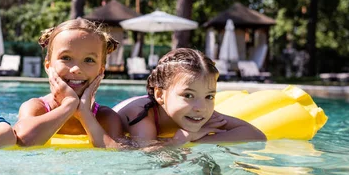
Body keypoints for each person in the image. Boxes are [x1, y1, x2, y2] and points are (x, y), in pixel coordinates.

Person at [113, 48, 266, 147]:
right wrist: (179, 140)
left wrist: (195, 139)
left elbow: (257, 136)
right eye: (188, 95)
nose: (201, 107)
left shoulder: (199, 111)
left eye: (209, 96)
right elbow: (145, 156)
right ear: (160, 95)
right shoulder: (142, 116)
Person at [13, 19, 125, 148]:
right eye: (66, 58)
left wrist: (84, 114)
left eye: (89, 60)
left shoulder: (106, 118)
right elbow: (23, 141)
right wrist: (68, 106)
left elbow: (118, 154)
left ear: (101, 71)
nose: (76, 69)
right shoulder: (37, 108)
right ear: (48, 66)